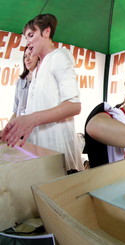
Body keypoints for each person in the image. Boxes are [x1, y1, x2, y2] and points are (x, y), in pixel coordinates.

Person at [2, 13, 84, 174]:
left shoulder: (60, 56)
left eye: (31, 35)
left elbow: (74, 106)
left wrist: (32, 120)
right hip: (39, 154)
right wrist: (15, 126)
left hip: (57, 154)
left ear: (46, 32)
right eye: (26, 38)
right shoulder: (37, 69)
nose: (28, 42)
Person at [0, 47, 39, 139]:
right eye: (25, 56)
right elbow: (15, 111)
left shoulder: (42, 80)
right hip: (18, 132)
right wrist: (6, 130)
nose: (27, 59)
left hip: (35, 133)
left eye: (30, 55)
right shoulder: (20, 81)